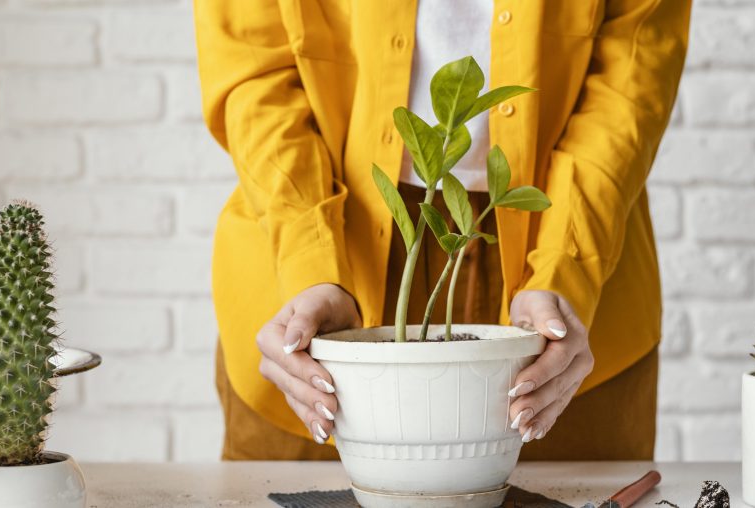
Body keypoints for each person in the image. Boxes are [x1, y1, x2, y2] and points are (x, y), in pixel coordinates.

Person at [194, 0, 691, 460]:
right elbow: (254, 72)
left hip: (563, 251)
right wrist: (310, 261)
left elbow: (633, 69)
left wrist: (566, 265)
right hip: (321, 245)